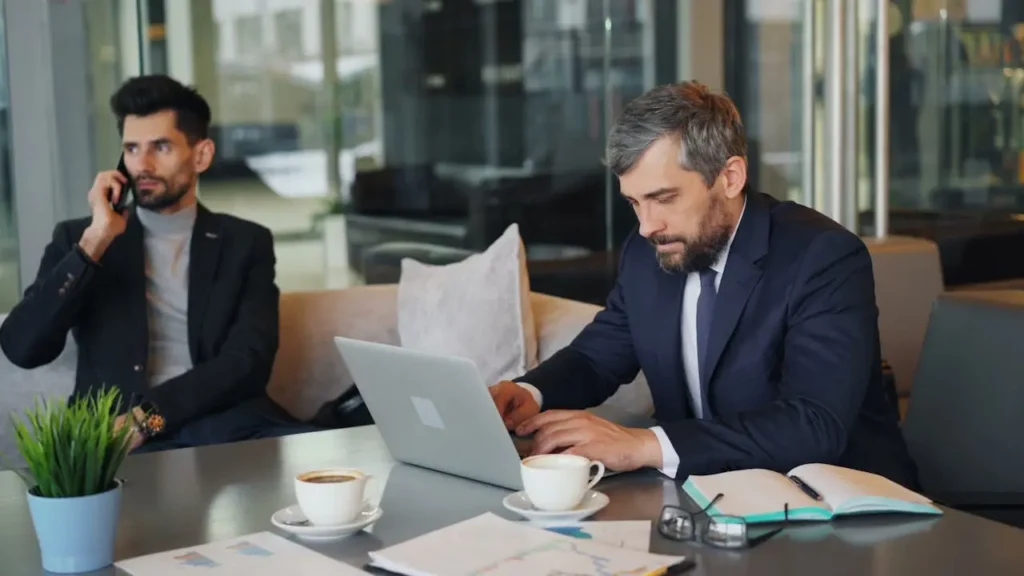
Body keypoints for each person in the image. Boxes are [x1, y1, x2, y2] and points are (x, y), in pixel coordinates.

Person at [490, 81, 919, 489]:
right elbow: (597, 357)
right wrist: (530, 392)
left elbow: (813, 423)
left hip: (839, 502)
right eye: (634, 202)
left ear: (730, 177)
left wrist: (645, 445)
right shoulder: (649, 251)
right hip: (705, 496)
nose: (647, 226)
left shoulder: (822, 256)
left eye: (664, 198)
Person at [0, 74, 316, 452]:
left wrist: (148, 419)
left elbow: (248, 361)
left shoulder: (245, 243)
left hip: (220, 425)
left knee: (321, 459)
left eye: (160, 147)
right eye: (131, 149)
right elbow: (23, 348)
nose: (142, 165)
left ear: (201, 155)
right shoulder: (81, 240)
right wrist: (94, 242)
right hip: (115, 438)